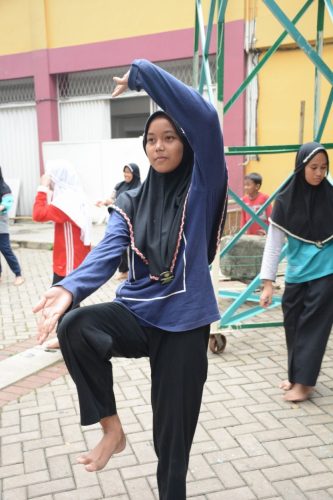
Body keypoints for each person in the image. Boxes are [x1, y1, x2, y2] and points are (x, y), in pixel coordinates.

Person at [33, 59, 228, 500]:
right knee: (76, 327)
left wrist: (143, 73)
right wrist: (69, 288)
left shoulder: (203, 184)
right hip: (138, 314)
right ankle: (112, 430)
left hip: (184, 323)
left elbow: (207, 120)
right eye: (151, 140)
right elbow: (107, 251)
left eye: (170, 138)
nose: (159, 147)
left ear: (186, 144)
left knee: (171, 445)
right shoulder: (131, 199)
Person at [260, 142, 332, 402]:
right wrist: (268, 283)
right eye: (313, 167)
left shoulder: (331, 197)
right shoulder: (285, 201)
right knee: (293, 325)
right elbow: (273, 245)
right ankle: (295, 375)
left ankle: (304, 384)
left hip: (326, 274)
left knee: (313, 328)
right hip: (296, 276)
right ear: (301, 167)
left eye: (324, 168)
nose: (319, 173)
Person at [33, 159, 92, 347]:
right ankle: (68, 337)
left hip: (69, 261)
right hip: (71, 258)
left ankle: (67, 339)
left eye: (51, 176)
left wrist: (42, 188)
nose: (48, 179)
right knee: (70, 300)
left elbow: (38, 214)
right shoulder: (72, 196)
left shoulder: (67, 201)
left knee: (64, 299)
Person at [96, 163, 141, 280]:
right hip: (121, 220)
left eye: (129, 172)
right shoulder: (119, 186)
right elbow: (112, 198)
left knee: (135, 247)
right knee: (120, 245)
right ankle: (124, 271)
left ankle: (138, 271)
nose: (126, 174)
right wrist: (103, 202)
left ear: (134, 174)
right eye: (125, 172)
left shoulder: (140, 187)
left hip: (135, 221)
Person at [0, 167, 24, 286]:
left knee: (6, 250)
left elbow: (8, 202)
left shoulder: (3, 187)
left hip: (1, 226)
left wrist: (1, 207)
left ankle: (18, 274)